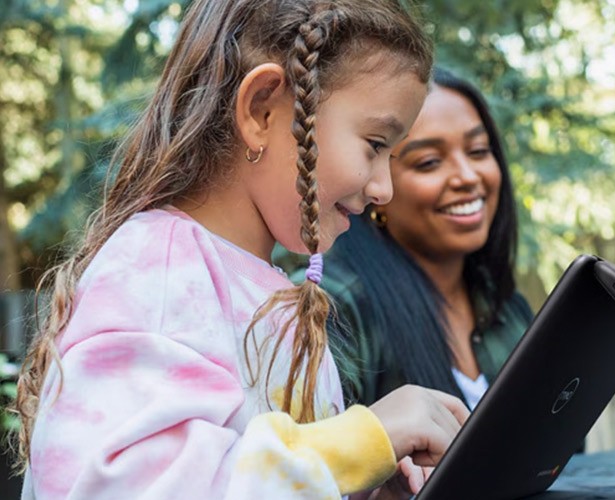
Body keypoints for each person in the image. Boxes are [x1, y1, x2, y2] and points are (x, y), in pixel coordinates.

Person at [13, 1, 470, 498]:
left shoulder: (248, 282)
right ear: (261, 110)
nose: (384, 188)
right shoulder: (160, 270)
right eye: (375, 143)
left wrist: (358, 484)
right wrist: (358, 443)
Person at [319, 67, 534, 411]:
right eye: (430, 162)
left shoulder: (507, 309)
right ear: (377, 184)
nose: (467, 177)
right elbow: (315, 456)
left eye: (478, 151)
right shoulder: (331, 309)